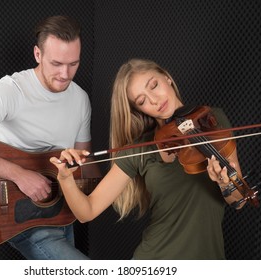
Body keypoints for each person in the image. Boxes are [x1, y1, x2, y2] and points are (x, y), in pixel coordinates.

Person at [0, 15, 101, 260]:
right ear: (37, 54)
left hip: (61, 212)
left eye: (73, 64)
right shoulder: (12, 90)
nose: (65, 74)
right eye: (56, 63)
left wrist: (126, 178)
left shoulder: (80, 98)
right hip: (16, 214)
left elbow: (85, 168)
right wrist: (20, 175)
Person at [50, 58, 247, 259]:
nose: (154, 100)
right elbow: (87, 212)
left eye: (154, 85)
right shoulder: (139, 150)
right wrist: (65, 178)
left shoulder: (212, 120)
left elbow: (238, 201)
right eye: (142, 101)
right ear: (139, 110)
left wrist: (225, 184)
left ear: (167, 78)